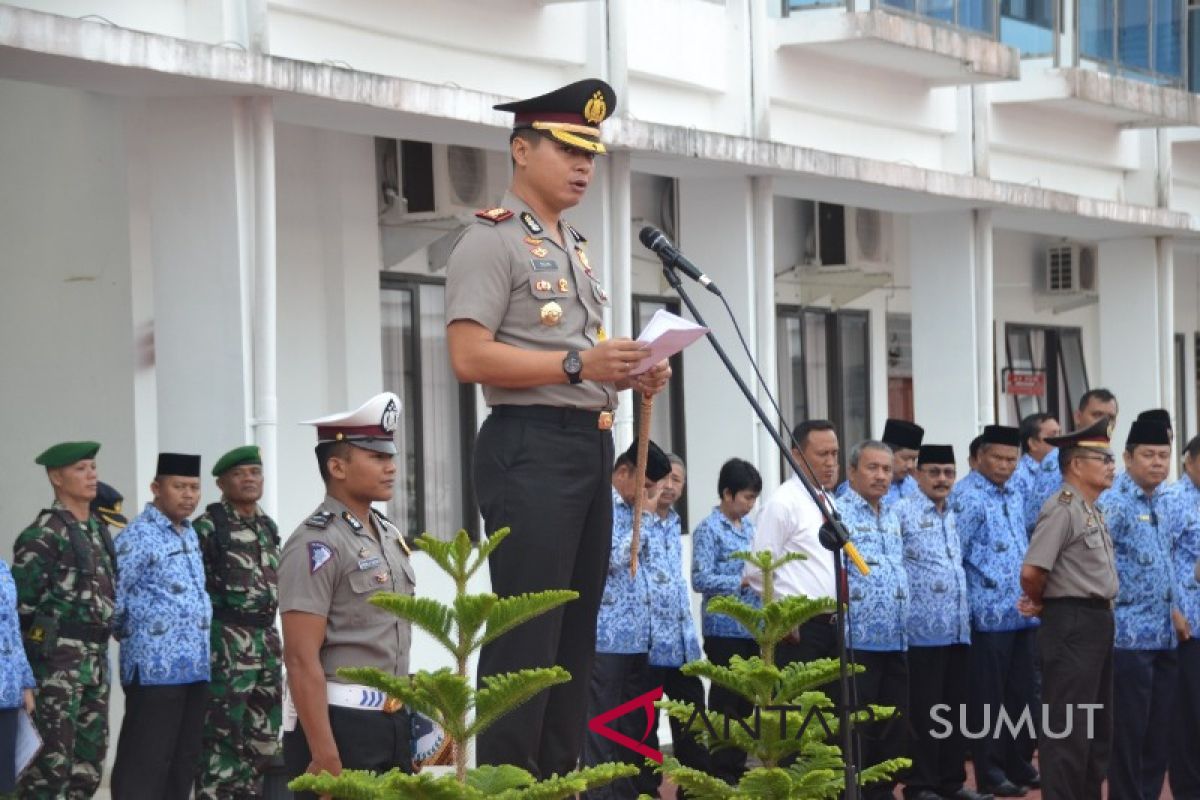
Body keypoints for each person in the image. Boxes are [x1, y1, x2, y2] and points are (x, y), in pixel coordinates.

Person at [444, 77, 670, 777]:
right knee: (526, 637)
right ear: (520, 150)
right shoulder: (491, 239)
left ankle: (559, 784)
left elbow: (570, 363)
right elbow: (467, 356)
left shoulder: (573, 242)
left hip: (585, 446)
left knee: (574, 639)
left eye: (591, 154)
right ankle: (510, 788)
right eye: (568, 149)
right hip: (528, 450)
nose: (583, 166)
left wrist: (626, 372)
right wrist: (582, 362)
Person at [279, 392, 417, 797]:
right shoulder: (315, 543)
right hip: (342, 723)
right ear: (337, 466)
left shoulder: (387, 535)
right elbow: (301, 658)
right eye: (376, 457)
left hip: (392, 721)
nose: (390, 467)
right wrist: (324, 754)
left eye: (390, 456)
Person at [1018, 418, 1118, 800]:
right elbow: (1032, 571)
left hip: (1096, 622)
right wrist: (1045, 603)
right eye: (1103, 458)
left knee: (1096, 730)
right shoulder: (1062, 508)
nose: (1111, 466)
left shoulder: (1090, 509)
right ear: (1076, 464)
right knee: (1068, 732)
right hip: (1072, 622)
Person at [14, 441, 117, 799]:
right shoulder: (43, 533)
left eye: (93, 467)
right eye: (80, 469)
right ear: (57, 478)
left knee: (87, 768)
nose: (92, 475)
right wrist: (25, 679)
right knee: (50, 769)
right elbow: (20, 612)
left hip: (95, 664)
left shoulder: (99, 531)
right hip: (56, 668)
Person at [111, 453, 212, 799]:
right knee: (146, 760)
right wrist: (138, 637)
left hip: (195, 668)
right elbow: (113, 598)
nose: (188, 495)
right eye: (179, 486)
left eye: (194, 488)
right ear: (156, 488)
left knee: (183, 760)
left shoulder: (190, 533)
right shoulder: (137, 535)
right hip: (155, 667)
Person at [1097, 416, 1187, 800]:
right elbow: (1097, 566)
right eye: (1148, 455)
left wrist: (1176, 610)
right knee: (1128, 735)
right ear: (1127, 457)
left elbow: (1169, 562)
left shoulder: (1167, 501)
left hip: (1165, 636)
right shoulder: (1111, 503)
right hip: (1128, 638)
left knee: (1159, 733)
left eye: (1164, 455)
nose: (1157, 463)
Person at [950, 425, 1039, 797]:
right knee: (987, 698)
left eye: (1011, 459)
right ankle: (990, 772)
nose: (1005, 466)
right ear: (979, 457)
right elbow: (958, 553)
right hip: (985, 616)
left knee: (1023, 694)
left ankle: (1018, 763)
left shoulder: (1018, 490)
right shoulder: (966, 497)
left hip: (1021, 611)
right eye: (998, 458)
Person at [581, 440, 673, 800]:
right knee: (602, 725)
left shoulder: (643, 512)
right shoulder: (600, 505)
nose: (649, 496)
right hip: (607, 637)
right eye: (646, 487)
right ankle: (600, 794)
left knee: (635, 726)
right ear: (623, 473)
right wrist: (645, 519)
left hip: (641, 637)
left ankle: (631, 792)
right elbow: (607, 558)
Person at [895, 445, 984, 800]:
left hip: (957, 628)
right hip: (920, 632)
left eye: (948, 472)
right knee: (925, 713)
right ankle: (921, 785)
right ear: (917, 474)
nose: (942, 479)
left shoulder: (952, 513)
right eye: (934, 472)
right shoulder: (900, 512)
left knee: (954, 709)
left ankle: (951, 782)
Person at [193, 445, 282, 799]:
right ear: (221, 482)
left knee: (263, 736)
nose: (249, 479)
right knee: (222, 736)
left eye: (255, 472)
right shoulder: (209, 527)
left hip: (266, 641)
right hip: (227, 644)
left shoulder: (267, 526)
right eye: (239, 474)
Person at [838, 440, 910, 800]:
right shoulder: (838, 516)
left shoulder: (894, 513)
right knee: (859, 725)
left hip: (895, 637)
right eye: (872, 468)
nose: (881, 475)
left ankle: (883, 789)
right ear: (852, 472)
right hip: (857, 639)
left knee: (892, 723)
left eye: (886, 468)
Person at [691, 457, 762, 785]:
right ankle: (720, 767)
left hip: (750, 627)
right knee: (725, 699)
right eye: (747, 497)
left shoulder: (750, 528)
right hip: (723, 627)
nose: (750, 504)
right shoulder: (709, 528)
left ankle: (736, 764)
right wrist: (740, 580)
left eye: (754, 498)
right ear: (727, 493)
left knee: (746, 699)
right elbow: (700, 577)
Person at [747, 420, 841, 666]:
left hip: (833, 625)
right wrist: (783, 616)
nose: (830, 462)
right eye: (822, 454)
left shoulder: (828, 501)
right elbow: (758, 569)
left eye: (835, 453)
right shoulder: (783, 502)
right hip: (798, 629)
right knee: (796, 704)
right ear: (797, 456)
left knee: (832, 703)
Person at [645, 454, 707, 796]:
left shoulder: (674, 522)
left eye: (677, 480)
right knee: (646, 727)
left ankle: (695, 790)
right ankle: (649, 789)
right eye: (665, 478)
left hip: (682, 645)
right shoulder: (640, 520)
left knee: (693, 721)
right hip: (650, 646)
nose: (670, 486)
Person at [1161, 433, 1200, 799]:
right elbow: (1161, 558)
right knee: (1188, 714)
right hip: (1188, 623)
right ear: (1189, 461)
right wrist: (1173, 610)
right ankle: (1188, 789)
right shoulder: (1173, 500)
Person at [1027, 389, 1120, 522]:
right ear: (1078, 417)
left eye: (1111, 417)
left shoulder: (1108, 457)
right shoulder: (1056, 460)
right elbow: (1038, 520)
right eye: (1097, 415)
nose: (1104, 422)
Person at [0, 555, 35, 798]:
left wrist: (25, 683)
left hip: (7, 691)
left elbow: (12, 626)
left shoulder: (1, 568)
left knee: (4, 781)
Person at [836, 418, 924, 511]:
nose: (910, 465)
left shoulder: (913, 485)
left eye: (914, 459)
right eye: (905, 458)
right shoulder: (853, 487)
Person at [1012, 413, 1060, 533]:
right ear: (1033, 443)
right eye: (1053, 436)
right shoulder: (1017, 476)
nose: (1061, 441)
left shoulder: (1061, 470)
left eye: (1060, 434)